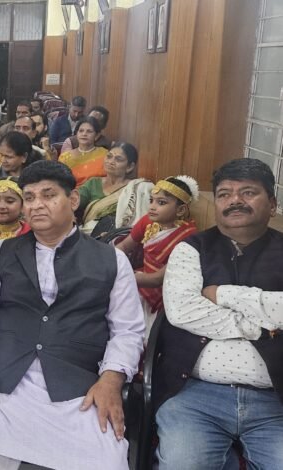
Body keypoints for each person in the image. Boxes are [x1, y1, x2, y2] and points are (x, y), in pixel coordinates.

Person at [0, 160, 144, 470]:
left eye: (48, 195)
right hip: (5, 384)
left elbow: (128, 330)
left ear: (73, 199)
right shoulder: (0, 253)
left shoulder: (112, 259)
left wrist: (111, 379)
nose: (37, 205)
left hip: (80, 389)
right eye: (29, 198)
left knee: (106, 463)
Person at [155, 158, 283, 469]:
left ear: (272, 204)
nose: (235, 200)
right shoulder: (191, 248)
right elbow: (184, 310)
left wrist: (221, 294)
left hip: (276, 402)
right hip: (194, 396)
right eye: (224, 194)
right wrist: (261, 326)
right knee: (185, 464)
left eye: (248, 192)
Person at [115, 176, 198, 335]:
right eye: (151, 200)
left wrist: (122, 276)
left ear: (180, 210)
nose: (152, 207)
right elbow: (124, 246)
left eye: (161, 203)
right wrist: (108, 260)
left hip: (164, 292)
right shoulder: (147, 221)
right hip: (140, 278)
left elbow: (157, 279)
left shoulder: (189, 236)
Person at [78, 142, 153, 235]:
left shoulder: (136, 188)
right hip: (89, 235)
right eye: (109, 156)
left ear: (130, 167)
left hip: (119, 237)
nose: (111, 161)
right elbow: (76, 201)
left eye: (118, 159)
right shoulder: (93, 183)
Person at [58, 116, 109, 187]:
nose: (84, 134)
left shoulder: (105, 154)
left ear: (97, 135)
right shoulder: (65, 157)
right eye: (81, 131)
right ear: (76, 134)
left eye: (89, 131)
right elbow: (60, 182)